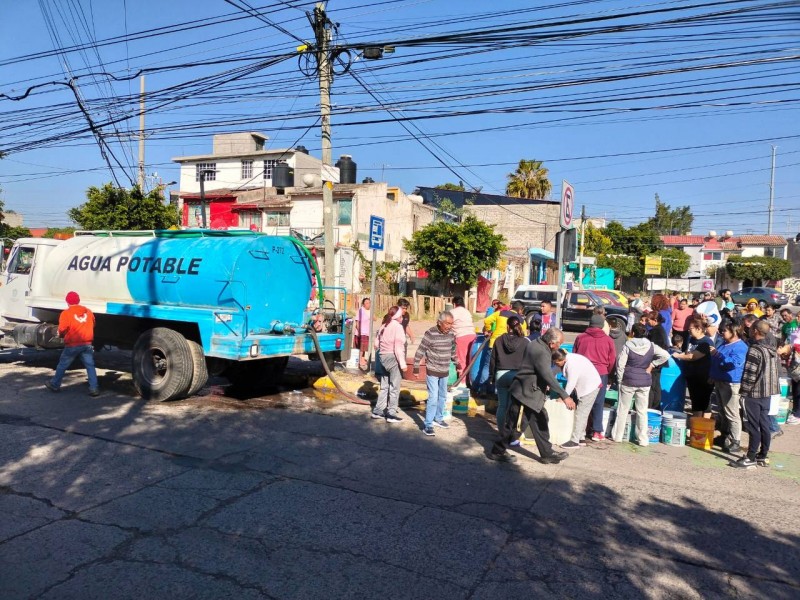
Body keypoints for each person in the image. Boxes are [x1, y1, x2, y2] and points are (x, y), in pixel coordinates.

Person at [489, 328, 574, 464]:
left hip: (532, 394)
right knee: (514, 426)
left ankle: (547, 453)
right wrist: (565, 396)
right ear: (552, 343)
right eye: (559, 344)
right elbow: (548, 376)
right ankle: (497, 451)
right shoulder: (540, 351)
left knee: (540, 421)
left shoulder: (538, 343)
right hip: (525, 394)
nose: (560, 347)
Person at [611, 323, 669, 446]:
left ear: (632, 333)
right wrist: (653, 364)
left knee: (623, 409)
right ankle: (643, 439)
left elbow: (620, 364)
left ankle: (618, 436)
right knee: (642, 411)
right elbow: (666, 355)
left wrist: (620, 380)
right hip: (645, 381)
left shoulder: (628, 345)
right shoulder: (651, 345)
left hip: (628, 380)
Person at [735, 320, 780, 468]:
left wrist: (744, 392)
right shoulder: (771, 349)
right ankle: (763, 455)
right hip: (768, 393)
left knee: (753, 426)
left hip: (754, 394)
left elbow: (749, 374)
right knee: (764, 424)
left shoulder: (755, 350)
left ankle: (751, 456)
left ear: (755, 331)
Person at [45, 291, 100, 396]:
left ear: (67, 302)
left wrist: (61, 334)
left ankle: (55, 384)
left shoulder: (66, 313)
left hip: (72, 345)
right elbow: (93, 324)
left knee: (62, 365)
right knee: (90, 366)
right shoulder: (88, 312)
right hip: (87, 344)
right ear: (78, 300)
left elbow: (62, 328)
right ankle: (94, 388)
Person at [573, 313, 616, 441]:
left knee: (581, 401)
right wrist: (608, 373)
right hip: (600, 373)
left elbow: (574, 356)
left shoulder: (580, 338)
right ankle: (597, 431)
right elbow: (612, 359)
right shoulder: (608, 340)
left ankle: (579, 429)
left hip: (583, 373)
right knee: (598, 402)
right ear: (602, 325)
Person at [413, 311, 457, 437]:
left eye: (451, 324)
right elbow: (420, 351)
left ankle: (438, 418)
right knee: (433, 397)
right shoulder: (430, 333)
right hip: (432, 370)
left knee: (442, 396)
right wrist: (416, 368)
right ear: (439, 322)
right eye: (447, 323)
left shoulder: (451, 334)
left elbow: (452, 350)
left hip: (445, 371)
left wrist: (457, 362)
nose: (449, 326)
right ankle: (428, 425)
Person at [709, 321, 748, 453]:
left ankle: (735, 440)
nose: (721, 332)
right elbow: (717, 361)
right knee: (722, 411)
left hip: (731, 383)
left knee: (732, 413)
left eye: (725, 330)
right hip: (720, 381)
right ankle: (725, 435)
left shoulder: (740, 347)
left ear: (734, 332)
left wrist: (718, 355)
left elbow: (734, 363)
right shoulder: (724, 344)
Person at [552, 348, 602, 449]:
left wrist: (564, 397)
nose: (556, 365)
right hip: (586, 385)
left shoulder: (572, 364)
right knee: (582, 413)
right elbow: (554, 371)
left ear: (562, 360)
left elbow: (571, 382)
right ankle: (581, 437)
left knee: (581, 413)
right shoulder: (565, 359)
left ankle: (574, 441)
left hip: (590, 387)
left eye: (557, 363)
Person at [489, 316, 529, 434]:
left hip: (501, 375)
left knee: (502, 405)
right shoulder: (525, 342)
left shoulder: (498, 340)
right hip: (517, 376)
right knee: (513, 406)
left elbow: (493, 360)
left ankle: (501, 432)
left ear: (507, 326)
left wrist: (491, 376)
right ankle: (510, 433)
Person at [673, 318, 715, 418]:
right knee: (695, 402)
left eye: (690, 329)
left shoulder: (706, 342)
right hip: (692, 376)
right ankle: (698, 425)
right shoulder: (691, 339)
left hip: (703, 377)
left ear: (698, 329)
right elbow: (687, 352)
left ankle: (701, 425)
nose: (689, 331)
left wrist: (678, 356)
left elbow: (693, 356)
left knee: (703, 403)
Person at [372, 306, 408, 423]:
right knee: (394, 387)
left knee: (384, 386)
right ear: (397, 316)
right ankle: (391, 413)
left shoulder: (384, 325)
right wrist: (403, 364)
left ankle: (378, 410)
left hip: (382, 357)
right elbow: (398, 347)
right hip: (393, 359)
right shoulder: (397, 327)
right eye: (401, 316)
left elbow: (376, 343)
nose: (402, 318)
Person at [645, 311, 670, 409]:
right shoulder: (661, 330)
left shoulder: (655, 331)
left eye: (648, 320)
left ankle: (651, 407)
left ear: (655, 320)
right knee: (655, 384)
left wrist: (651, 363)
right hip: (659, 362)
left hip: (655, 362)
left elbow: (655, 348)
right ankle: (655, 406)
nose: (647, 322)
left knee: (652, 386)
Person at [450, 296, 476, 375]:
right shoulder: (467, 311)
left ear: (454, 304)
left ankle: (462, 382)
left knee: (461, 359)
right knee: (469, 359)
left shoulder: (452, 312)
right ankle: (468, 380)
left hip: (461, 336)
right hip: (472, 336)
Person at [354, 298, 371, 369]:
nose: (368, 304)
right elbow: (357, 321)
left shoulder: (369, 311)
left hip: (366, 332)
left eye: (369, 303)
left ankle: (362, 359)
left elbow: (375, 318)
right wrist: (359, 331)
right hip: (361, 332)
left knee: (364, 347)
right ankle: (359, 360)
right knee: (360, 347)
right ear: (363, 304)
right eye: (366, 303)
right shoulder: (361, 310)